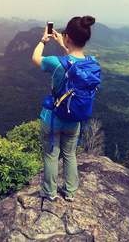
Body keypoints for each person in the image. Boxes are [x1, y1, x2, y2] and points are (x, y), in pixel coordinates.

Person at [32, 15, 96, 202]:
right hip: (74, 120)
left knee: (52, 154)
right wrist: (65, 45)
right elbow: (75, 59)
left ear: (67, 37)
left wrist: (44, 39)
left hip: (53, 119)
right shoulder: (91, 62)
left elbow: (35, 57)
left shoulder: (55, 62)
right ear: (85, 40)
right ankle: (69, 192)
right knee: (69, 154)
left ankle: (50, 192)